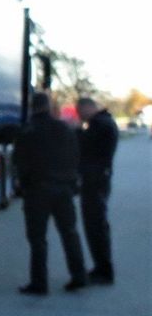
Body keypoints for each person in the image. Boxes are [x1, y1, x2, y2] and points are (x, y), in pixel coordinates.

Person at [14, 91, 87, 295]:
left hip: (37, 190)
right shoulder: (65, 129)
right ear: (49, 106)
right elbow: (76, 156)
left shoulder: (28, 131)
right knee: (69, 233)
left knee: (38, 239)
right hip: (63, 189)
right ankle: (79, 275)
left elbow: (20, 162)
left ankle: (39, 283)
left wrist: (24, 185)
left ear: (33, 108)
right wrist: (72, 182)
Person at [76, 95, 118, 284]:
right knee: (96, 225)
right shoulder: (104, 122)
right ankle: (101, 267)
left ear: (88, 108)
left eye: (80, 113)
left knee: (95, 226)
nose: (79, 117)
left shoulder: (100, 125)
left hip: (95, 181)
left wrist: (76, 132)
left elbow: (85, 146)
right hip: (98, 179)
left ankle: (103, 269)